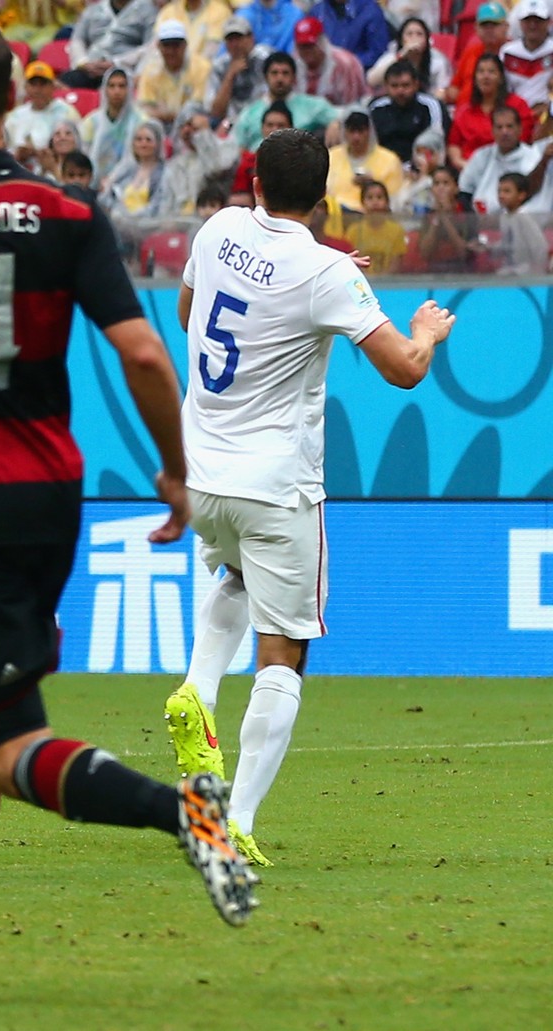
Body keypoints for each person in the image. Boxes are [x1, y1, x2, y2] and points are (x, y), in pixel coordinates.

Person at [0, 20, 256, 1003]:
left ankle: (182, 809)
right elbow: (147, 355)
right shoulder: (68, 209)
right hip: (50, 490)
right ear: (17, 97)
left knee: (3, 740)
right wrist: (175, 471)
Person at [165, 126, 454, 868]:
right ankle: (235, 820)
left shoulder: (219, 227)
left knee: (232, 575)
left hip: (202, 473)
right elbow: (404, 371)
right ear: (324, 200)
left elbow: (187, 313)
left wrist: (324, 279)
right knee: (285, 648)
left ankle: (198, 688)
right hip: (276, 486)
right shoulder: (325, 271)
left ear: (252, 183)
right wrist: (425, 330)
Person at [233, 50, 339, 150]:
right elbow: (238, 146)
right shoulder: (250, 113)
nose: (280, 79)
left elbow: (341, 117)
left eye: (285, 73)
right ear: (266, 77)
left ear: (294, 77)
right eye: (274, 73)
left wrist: (335, 123)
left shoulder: (312, 106)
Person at [448, 54, 533, 168]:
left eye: (491, 72)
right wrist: (463, 165)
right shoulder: (465, 110)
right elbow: (454, 144)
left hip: (508, 167)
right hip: (468, 168)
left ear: (501, 77)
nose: (485, 76)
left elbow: (523, 140)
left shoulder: (517, 105)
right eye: (481, 72)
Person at [458, 104, 539, 211]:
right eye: (499, 127)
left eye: (509, 126)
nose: (504, 132)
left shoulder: (533, 156)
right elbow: (464, 191)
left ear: (520, 129)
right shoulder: (481, 155)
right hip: (481, 222)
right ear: (492, 131)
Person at [367, 61, 447, 166]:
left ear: (416, 84)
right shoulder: (376, 107)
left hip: (420, 169)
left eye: (405, 85)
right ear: (386, 86)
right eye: (394, 86)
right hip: (382, 167)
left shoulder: (430, 105)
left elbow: (435, 141)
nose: (400, 91)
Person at [325, 109, 403, 211]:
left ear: (369, 132)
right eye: (352, 131)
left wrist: (373, 185)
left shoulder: (390, 160)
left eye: (361, 131)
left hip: (374, 218)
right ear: (345, 132)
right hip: (336, 215)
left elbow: (395, 201)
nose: (356, 137)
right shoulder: (331, 157)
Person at [500, 0, 553, 116]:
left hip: (548, 115)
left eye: (538, 20)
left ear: (548, 22)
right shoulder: (507, 52)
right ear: (520, 22)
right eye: (528, 20)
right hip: (514, 115)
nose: (533, 25)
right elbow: (502, 89)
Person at [342, 178, 407, 271]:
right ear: (362, 202)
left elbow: (396, 263)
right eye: (370, 197)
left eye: (379, 197)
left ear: (387, 202)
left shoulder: (397, 231)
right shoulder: (353, 231)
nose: (375, 202)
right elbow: (351, 261)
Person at [491, 171, 549, 272]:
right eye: (499, 191)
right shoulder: (504, 216)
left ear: (521, 195)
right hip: (511, 268)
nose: (501, 195)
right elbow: (509, 241)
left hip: (527, 271)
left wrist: (537, 271)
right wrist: (489, 247)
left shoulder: (525, 217)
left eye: (507, 191)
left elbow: (540, 247)